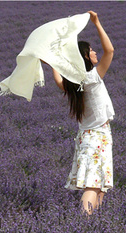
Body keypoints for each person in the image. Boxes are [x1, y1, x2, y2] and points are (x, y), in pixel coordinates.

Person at [43, 10, 115, 215]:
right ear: (84, 55)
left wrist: (54, 63)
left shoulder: (74, 84)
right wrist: (97, 23)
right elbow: (110, 51)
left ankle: (92, 228)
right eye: (91, 50)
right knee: (94, 186)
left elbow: (59, 81)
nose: (95, 53)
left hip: (88, 137)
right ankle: (82, 226)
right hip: (98, 137)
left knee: (100, 187)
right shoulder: (91, 78)